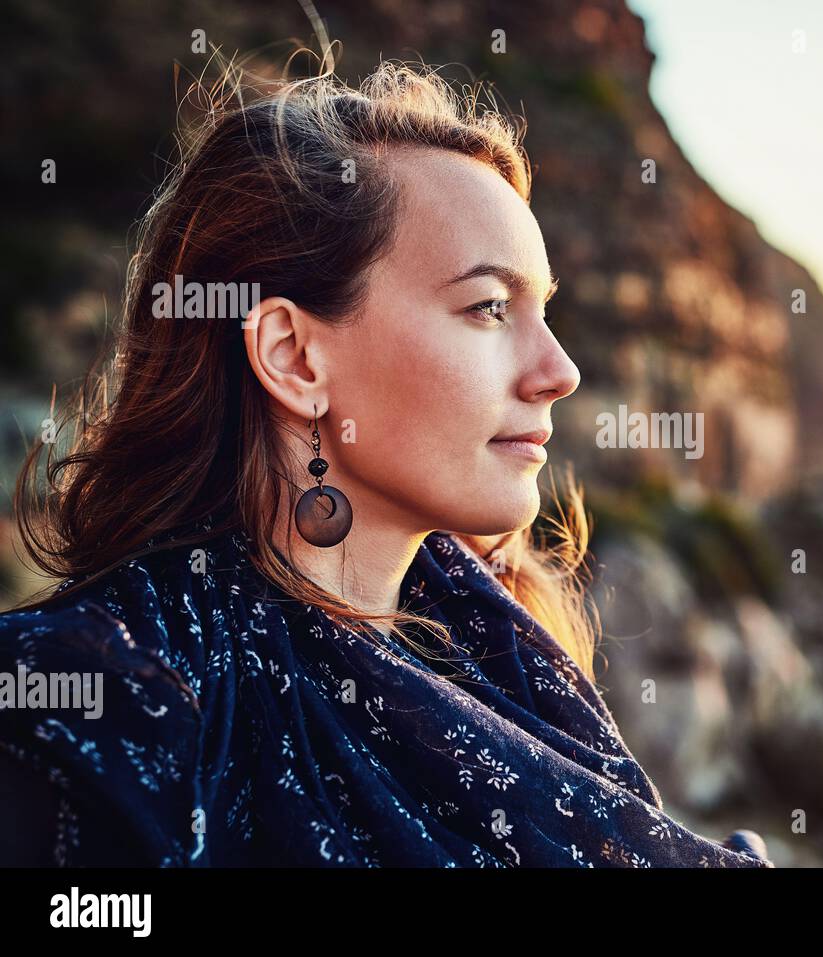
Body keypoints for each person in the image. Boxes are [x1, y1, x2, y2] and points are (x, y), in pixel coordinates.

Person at [0, 53, 772, 869]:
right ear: (295, 357)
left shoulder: (513, 661)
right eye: (488, 308)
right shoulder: (91, 709)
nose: (560, 371)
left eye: (543, 310)